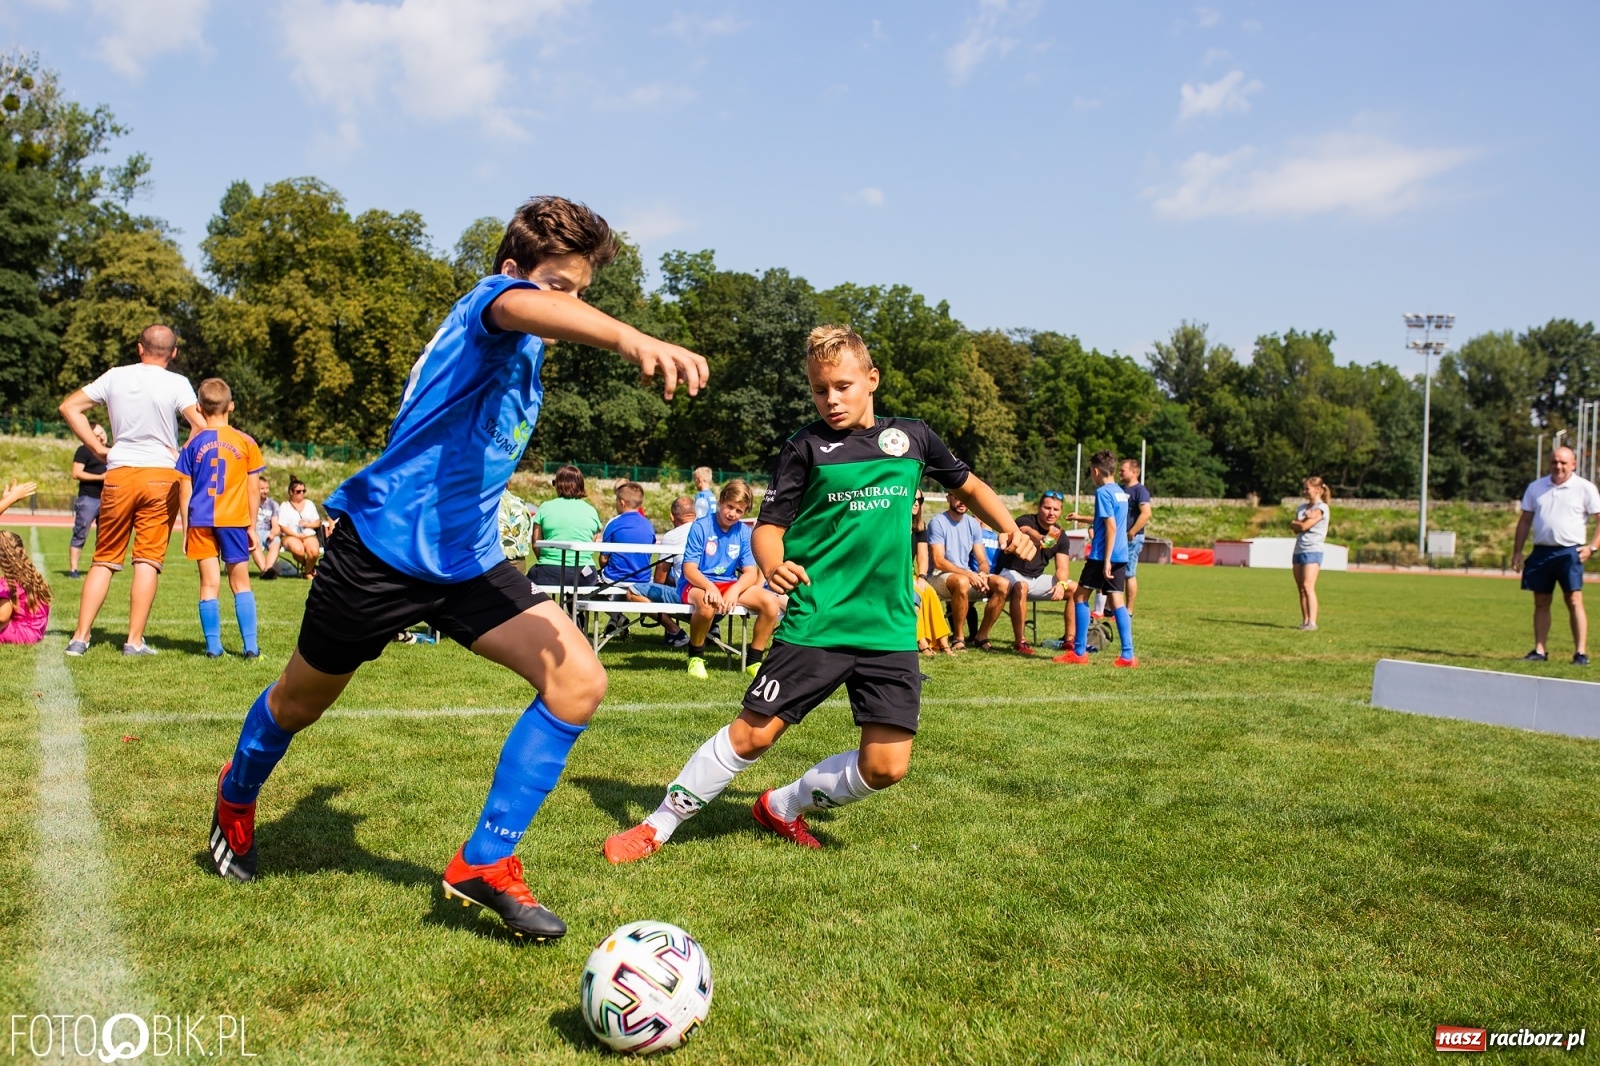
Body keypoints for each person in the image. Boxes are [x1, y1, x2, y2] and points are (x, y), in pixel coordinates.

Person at [204, 196, 706, 946]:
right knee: (301, 701)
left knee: (579, 680)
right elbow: (521, 305)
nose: (569, 303)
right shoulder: (490, 302)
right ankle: (236, 795)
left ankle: (485, 860)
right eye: (558, 286)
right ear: (516, 272)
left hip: (466, 562)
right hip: (380, 551)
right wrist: (631, 338)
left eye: (580, 291)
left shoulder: (525, 345)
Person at [602, 325, 1033, 864]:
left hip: (890, 625)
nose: (831, 399)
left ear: (872, 380)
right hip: (818, 618)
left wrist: (1008, 525)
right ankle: (656, 826)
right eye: (819, 389)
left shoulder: (913, 438)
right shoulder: (805, 447)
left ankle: (781, 806)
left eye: (844, 386)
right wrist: (774, 564)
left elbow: (966, 484)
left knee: (886, 767)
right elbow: (768, 526)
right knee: (754, 736)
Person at [59, 324, 204, 657]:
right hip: (160, 475)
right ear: (174, 353)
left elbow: (69, 407)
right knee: (147, 561)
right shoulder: (178, 382)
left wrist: (97, 449)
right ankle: (133, 641)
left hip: (120, 471)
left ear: (140, 348)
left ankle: (80, 639)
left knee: (104, 559)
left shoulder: (115, 376)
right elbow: (201, 424)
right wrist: (180, 454)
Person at [176, 378, 266, 659]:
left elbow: (184, 488)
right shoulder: (246, 442)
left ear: (200, 409)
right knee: (240, 583)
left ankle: (213, 647)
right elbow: (253, 488)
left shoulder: (191, 445)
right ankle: (250, 647)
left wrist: (185, 527)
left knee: (208, 584)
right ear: (231, 406)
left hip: (201, 521)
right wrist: (251, 525)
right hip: (234, 520)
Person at [678, 478, 782, 679]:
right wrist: (710, 587)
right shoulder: (701, 527)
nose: (732, 513)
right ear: (720, 501)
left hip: (728, 583)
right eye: (729, 507)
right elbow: (690, 570)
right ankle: (695, 657)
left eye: (739, 511)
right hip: (697, 583)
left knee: (771, 602)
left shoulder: (744, 532)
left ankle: (754, 660)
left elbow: (750, 572)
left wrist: (734, 590)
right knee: (708, 605)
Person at [1512, 446, 1600, 666]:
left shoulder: (1584, 488)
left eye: (1563, 462)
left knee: (1574, 600)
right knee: (1541, 601)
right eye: (1554, 462)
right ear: (1549, 463)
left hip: (1570, 551)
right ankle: (1540, 650)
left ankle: (1580, 652)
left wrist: (1592, 547)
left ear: (1573, 464)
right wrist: (1517, 551)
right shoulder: (1536, 487)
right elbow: (1525, 521)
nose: (1558, 466)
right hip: (1542, 551)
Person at [1055, 450, 1136, 667]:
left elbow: (1110, 526)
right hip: (1121, 554)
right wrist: (1081, 518)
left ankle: (1079, 652)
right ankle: (1128, 655)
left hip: (1103, 555)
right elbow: (1109, 519)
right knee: (1117, 601)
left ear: (1096, 471)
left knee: (1080, 597)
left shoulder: (1102, 492)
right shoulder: (1120, 493)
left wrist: (1106, 560)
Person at [994, 490, 1075, 656]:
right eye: (1047, 508)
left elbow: (1062, 568)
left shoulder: (1060, 535)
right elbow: (1026, 531)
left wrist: (1062, 583)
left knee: (1074, 588)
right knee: (1021, 586)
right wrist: (1039, 538)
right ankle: (1021, 641)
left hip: (1035, 578)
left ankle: (1069, 640)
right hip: (1010, 573)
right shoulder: (1026, 520)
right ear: (1039, 507)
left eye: (1056, 509)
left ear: (1060, 512)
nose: (1051, 513)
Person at [926, 495, 1008, 650]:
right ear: (948, 498)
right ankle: (959, 639)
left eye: (965, 498)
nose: (961, 501)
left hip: (965, 574)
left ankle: (981, 636)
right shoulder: (938, 522)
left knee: (1002, 584)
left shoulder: (973, 524)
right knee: (962, 581)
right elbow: (938, 561)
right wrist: (969, 575)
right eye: (957, 497)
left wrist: (983, 573)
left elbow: (982, 560)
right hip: (938, 575)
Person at [528, 465, 603, 588]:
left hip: (549, 570)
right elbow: (591, 543)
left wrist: (547, 560)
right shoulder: (591, 511)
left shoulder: (545, 507)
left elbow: (536, 543)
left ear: (558, 485)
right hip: (584, 573)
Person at [912, 493, 953, 656]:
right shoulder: (895, 524)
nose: (916, 503)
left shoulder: (920, 527)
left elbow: (923, 556)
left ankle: (944, 644)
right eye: (913, 499)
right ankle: (922, 642)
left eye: (920, 500)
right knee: (916, 596)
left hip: (912, 574)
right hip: (897, 574)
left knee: (929, 592)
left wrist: (922, 576)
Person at [1290, 476, 1331, 632]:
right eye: (1304, 488)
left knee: (1308, 586)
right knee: (1301, 588)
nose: (1305, 491)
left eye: (1308, 488)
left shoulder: (1322, 508)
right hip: (1299, 549)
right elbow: (1297, 528)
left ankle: (1313, 622)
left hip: (1313, 550)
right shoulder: (1302, 508)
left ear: (1318, 489)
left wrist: (1297, 523)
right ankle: (1305, 620)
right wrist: (1298, 524)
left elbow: (1304, 525)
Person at [67, 423, 108, 578]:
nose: (101, 437)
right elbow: (76, 473)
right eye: (96, 435)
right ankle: (74, 570)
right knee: (80, 533)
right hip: (88, 498)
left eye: (102, 433)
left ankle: (99, 569)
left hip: (108, 499)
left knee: (104, 536)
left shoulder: (112, 450)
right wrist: (100, 478)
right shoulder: (84, 450)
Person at [0, 529, 51, 645]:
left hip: (20, 632)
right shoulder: (33, 576)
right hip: (36, 631)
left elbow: (3, 616)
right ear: (23, 551)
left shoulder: (7, 583)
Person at [1120, 458, 1152, 614]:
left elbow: (1146, 514)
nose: (1119, 472)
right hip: (1119, 538)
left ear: (1134, 472)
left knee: (1128, 573)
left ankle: (1128, 610)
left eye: (1123, 470)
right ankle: (1110, 608)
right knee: (1115, 572)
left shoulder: (1140, 491)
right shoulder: (1120, 489)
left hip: (1132, 538)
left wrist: (1132, 532)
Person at [277, 478, 326, 578]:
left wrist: (307, 525)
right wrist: (296, 535)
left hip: (308, 534)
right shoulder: (284, 506)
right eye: (298, 491)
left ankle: (307, 572)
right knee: (298, 550)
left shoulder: (309, 504)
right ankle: (311, 570)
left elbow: (317, 522)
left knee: (314, 552)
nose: (301, 493)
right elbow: (282, 526)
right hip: (290, 535)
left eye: (303, 491)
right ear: (291, 492)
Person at [251, 480, 282, 579]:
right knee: (253, 541)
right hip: (253, 531)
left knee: (276, 542)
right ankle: (265, 570)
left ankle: (268, 569)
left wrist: (272, 534)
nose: (265, 491)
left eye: (267, 488)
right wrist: (253, 533)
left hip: (267, 532)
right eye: (262, 489)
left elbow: (276, 525)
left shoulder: (273, 504)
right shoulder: (249, 502)